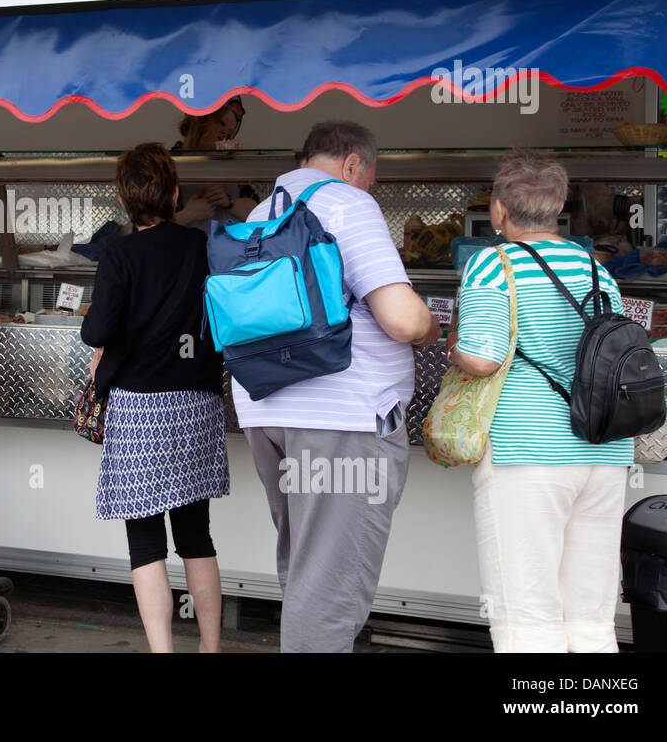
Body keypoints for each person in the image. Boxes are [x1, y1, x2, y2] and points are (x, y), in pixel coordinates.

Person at [233, 120, 440, 653]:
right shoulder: (349, 203)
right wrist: (433, 325)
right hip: (341, 419)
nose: (367, 187)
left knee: (308, 570)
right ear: (352, 164)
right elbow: (402, 319)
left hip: (268, 411)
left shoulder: (263, 211)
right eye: (369, 177)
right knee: (330, 586)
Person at [448, 150, 631, 653]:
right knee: (590, 614)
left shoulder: (494, 262)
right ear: (558, 206)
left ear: (499, 209)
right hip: (603, 451)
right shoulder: (596, 269)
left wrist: (451, 345)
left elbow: (482, 358)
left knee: (527, 611)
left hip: (527, 453)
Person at [81, 142, 229, 652]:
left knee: (145, 542)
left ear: (125, 200)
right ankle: (211, 648)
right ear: (174, 192)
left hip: (141, 408)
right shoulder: (201, 246)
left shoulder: (119, 254)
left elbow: (96, 330)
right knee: (197, 534)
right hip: (199, 404)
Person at [172, 97, 259, 228]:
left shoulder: (232, 164)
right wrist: (189, 214)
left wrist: (229, 201)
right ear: (200, 119)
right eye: (221, 123)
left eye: (230, 132)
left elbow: (260, 214)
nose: (225, 133)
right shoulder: (168, 164)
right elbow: (150, 228)